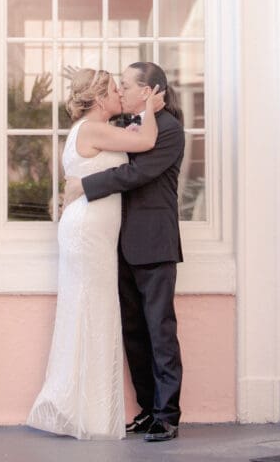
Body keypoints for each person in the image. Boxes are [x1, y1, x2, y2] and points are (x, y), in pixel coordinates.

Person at [27, 67, 164, 440]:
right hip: (87, 232)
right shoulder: (92, 128)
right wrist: (150, 107)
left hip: (91, 233)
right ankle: (87, 415)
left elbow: (130, 139)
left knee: (93, 313)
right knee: (94, 313)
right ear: (100, 98)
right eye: (114, 90)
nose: (120, 93)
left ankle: (88, 411)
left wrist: (137, 120)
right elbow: (148, 140)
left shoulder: (94, 131)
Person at [63, 61, 185, 443]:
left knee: (160, 331)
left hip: (154, 243)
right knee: (134, 332)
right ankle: (148, 410)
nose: (122, 92)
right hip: (117, 244)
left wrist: (85, 185)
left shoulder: (168, 132)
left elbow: (136, 176)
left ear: (147, 92)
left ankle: (168, 415)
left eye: (127, 86)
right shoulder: (125, 127)